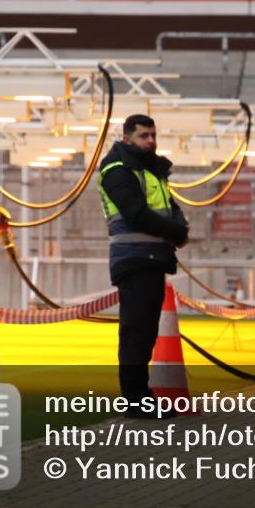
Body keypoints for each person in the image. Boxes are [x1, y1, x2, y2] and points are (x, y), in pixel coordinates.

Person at [98, 114, 189, 418]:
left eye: (153, 135)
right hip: (134, 259)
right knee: (137, 333)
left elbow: (170, 208)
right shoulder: (117, 170)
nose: (150, 141)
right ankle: (135, 401)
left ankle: (141, 396)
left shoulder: (150, 170)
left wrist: (178, 228)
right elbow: (136, 213)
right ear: (127, 139)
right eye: (143, 136)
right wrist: (176, 232)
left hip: (152, 258)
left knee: (145, 333)